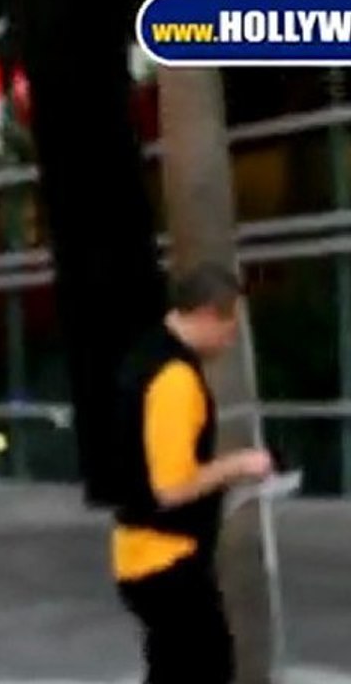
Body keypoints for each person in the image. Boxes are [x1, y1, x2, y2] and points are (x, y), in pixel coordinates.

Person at [110, 262, 274, 684]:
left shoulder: (147, 355)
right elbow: (171, 487)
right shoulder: (174, 378)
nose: (231, 335)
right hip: (165, 558)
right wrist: (238, 465)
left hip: (143, 554)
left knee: (175, 669)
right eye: (228, 322)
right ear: (204, 313)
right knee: (206, 668)